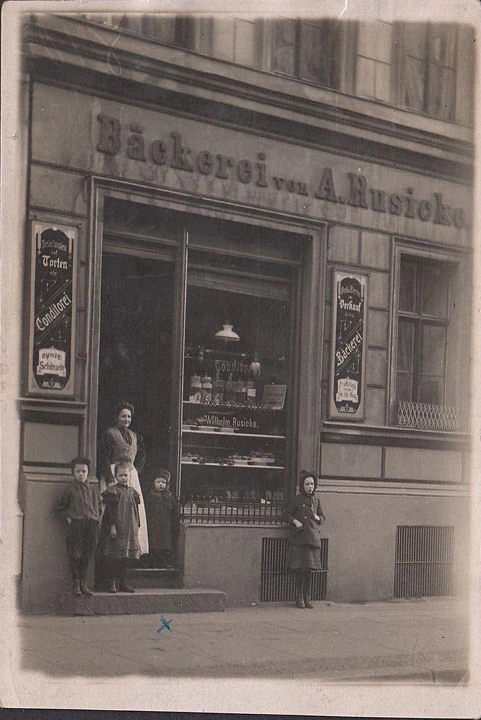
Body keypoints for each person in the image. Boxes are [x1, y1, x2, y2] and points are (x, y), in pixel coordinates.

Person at [98, 401, 149, 555]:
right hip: (113, 474)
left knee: (132, 511)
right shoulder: (109, 434)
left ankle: (131, 550)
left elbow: (142, 455)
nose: (126, 419)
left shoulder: (134, 436)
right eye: (123, 416)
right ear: (116, 418)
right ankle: (109, 549)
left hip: (130, 475)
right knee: (112, 509)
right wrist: (109, 478)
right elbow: (103, 457)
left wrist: (135, 470)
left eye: (129, 417)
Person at [55, 456, 102, 597]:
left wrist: (96, 517)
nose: (81, 474)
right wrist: (69, 518)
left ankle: (83, 583)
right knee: (75, 554)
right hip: (76, 525)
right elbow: (58, 508)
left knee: (87, 554)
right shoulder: (69, 489)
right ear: (73, 473)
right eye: (78, 471)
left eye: (84, 471)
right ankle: (75, 583)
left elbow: (98, 506)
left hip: (91, 525)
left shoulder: (93, 489)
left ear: (88, 472)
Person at [283, 470, 326, 609]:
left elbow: (322, 517)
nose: (310, 487)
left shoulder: (316, 500)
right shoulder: (296, 499)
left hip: (312, 539)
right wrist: (295, 521)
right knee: (300, 570)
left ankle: (307, 597)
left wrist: (317, 517)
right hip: (300, 539)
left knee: (309, 570)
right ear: (302, 485)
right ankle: (299, 597)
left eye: (312, 484)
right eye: (307, 484)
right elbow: (286, 514)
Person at [98, 460, 141, 593]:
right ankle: (112, 583)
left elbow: (136, 510)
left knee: (125, 557)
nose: (123, 478)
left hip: (129, 529)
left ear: (130, 476)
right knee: (114, 557)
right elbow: (110, 512)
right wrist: (112, 527)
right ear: (116, 476)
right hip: (117, 529)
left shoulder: (133, 492)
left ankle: (123, 582)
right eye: (120, 475)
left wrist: (137, 523)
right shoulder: (113, 492)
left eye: (125, 475)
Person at [146, 470, 179, 568]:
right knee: (153, 543)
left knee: (164, 544)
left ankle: (163, 561)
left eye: (163, 482)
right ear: (154, 483)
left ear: (167, 484)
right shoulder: (150, 496)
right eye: (158, 482)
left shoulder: (170, 497)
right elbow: (146, 510)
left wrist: (174, 524)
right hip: (153, 523)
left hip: (165, 525)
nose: (161, 484)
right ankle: (152, 561)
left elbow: (174, 512)